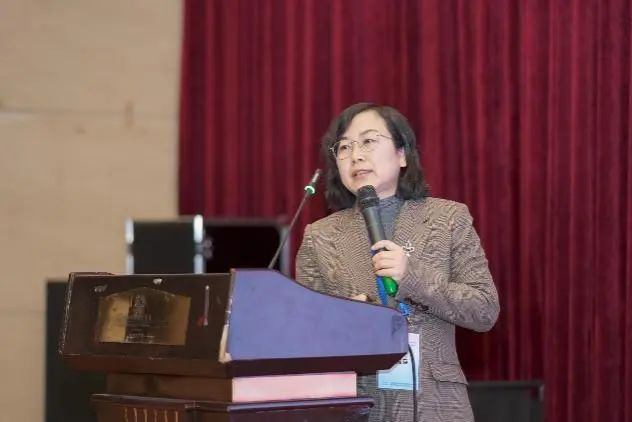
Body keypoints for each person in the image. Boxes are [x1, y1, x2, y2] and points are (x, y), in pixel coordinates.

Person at [295, 102, 500, 422]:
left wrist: (412, 277)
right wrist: (342, 319)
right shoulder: (319, 236)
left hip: (436, 406)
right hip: (357, 404)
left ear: (402, 154)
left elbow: (484, 310)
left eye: (368, 141)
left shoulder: (448, 218)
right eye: (344, 147)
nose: (355, 155)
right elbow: (303, 338)